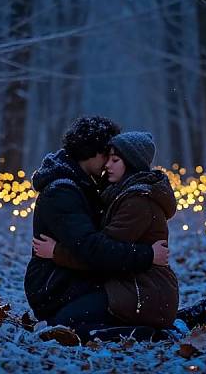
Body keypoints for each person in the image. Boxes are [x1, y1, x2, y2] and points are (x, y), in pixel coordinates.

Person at [33, 131, 179, 336]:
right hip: (129, 284)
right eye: (107, 158)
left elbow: (101, 253)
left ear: (132, 163)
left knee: (67, 325)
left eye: (115, 160)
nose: (107, 165)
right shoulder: (120, 193)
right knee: (62, 321)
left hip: (145, 292)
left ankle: (150, 334)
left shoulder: (138, 201)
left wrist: (56, 252)